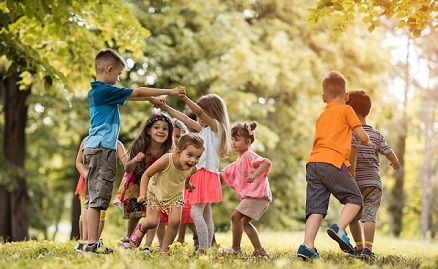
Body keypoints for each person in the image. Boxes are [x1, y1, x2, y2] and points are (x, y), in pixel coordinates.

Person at [82, 48, 185, 254]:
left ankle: (88, 243)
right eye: (119, 74)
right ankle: (91, 244)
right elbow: (137, 91)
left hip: (93, 147)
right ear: (109, 70)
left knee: (93, 198)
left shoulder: (96, 92)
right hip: (103, 149)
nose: (119, 78)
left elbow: (133, 96)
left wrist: (150, 100)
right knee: (98, 199)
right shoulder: (105, 90)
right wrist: (170, 92)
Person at [296, 70, 373, 261]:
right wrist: (368, 142)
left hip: (313, 163)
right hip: (333, 161)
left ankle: (307, 246)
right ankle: (339, 228)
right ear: (347, 97)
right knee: (355, 199)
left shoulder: (322, 116)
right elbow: (361, 135)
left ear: (324, 98)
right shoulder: (347, 110)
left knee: (315, 208)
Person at [158, 93, 231, 253]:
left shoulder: (216, 128)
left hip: (205, 174)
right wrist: (166, 108)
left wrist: (184, 98)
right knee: (206, 215)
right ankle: (208, 247)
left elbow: (197, 113)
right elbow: (185, 119)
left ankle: (202, 249)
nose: (199, 117)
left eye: (203, 112)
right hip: (202, 174)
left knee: (195, 211)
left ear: (212, 112)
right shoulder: (204, 130)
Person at [129, 133, 205, 255]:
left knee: (175, 221)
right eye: (190, 155)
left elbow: (188, 174)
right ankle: (141, 227)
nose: (193, 160)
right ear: (178, 152)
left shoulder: (192, 168)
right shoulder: (167, 159)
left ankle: (164, 250)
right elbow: (147, 174)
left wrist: (187, 184)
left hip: (175, 195)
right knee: (152, 222)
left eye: (197, 157)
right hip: (155, 192)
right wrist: (142, 194)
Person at [346, 90, 400, 260]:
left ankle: (359, 247)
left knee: (353, 217)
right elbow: (389, 152)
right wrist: (395, 161)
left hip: (355, 183)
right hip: (374, 183)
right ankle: (368, 249)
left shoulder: (350, 134)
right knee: (370, 215)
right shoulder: (376, 134)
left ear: (351, 111)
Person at [113, 113, 174, 254]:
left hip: (155, 184)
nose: (161, 131)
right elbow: (127, 168)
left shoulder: (168, 150)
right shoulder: (140, 144)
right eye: (157, 127)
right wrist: (134, 160)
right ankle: (127, 238)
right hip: (136, 181)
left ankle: (147, 245)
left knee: (153, 215)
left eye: (165, 129)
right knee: (135, 213)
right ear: (148, 130)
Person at [220, 122, 272, 256]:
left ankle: (235, 249)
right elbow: (226, 172)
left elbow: (266, 162)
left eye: (237, 140)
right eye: (232, 139)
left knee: (235, 217)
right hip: (257, 197)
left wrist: (254, 175)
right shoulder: (239, 160)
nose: (233, 142)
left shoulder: (249, 155)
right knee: (244, 222)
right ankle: (259, 250)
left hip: (257, 196)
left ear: (248, 141)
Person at [75, 136, 127, 253]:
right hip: (86, 184)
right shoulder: (87, 140)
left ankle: (94, 242)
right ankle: (84, 242)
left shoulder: (116, 143)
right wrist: (88, 176)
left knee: (101, 213)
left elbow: (126, 162)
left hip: (103, 184)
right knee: (86, 211)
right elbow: (79, 162)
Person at [156, 119, 199, 249]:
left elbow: (190, 170)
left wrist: (187, 183)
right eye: (173, 136)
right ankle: (161, 243)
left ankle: (192, 237)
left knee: (181, 217)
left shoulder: (185, 154)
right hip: (161, 191)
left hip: (177, 192)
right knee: (160, 219)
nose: (175, 139)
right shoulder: (163, 152)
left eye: (179, 136)